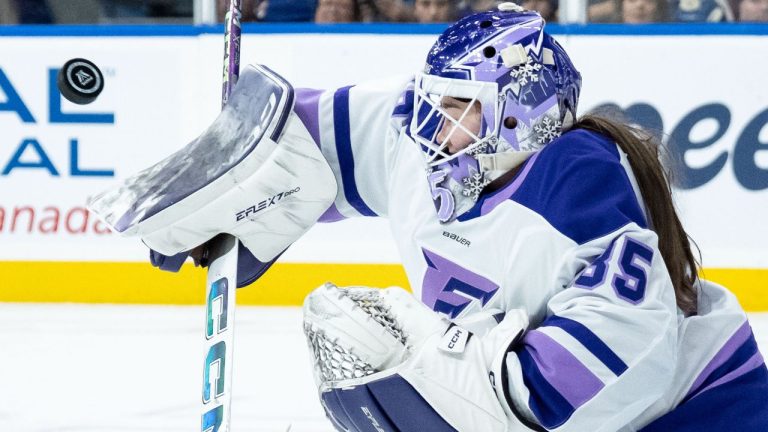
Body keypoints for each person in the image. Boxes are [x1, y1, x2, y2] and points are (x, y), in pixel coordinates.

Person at [89, 3, 768, 431]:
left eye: (455, 110)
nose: (428, 127)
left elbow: (622, 348)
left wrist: (464, 378)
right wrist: (237, 170)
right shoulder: (423, 136)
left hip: (702, 411)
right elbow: (306, 140)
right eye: (431, 102)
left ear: (520, 116)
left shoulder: (573, 180)